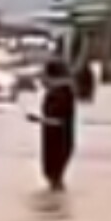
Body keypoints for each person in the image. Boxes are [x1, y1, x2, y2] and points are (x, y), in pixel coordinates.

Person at [31, 59, 79, 191]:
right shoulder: (61, 92)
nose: (42, 80)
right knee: (55, 180)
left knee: (55, 178)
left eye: (44, 75)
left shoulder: (61, 94)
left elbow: (58, 121)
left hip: (58, 144)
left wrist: (39, 120)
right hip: (59, 143)